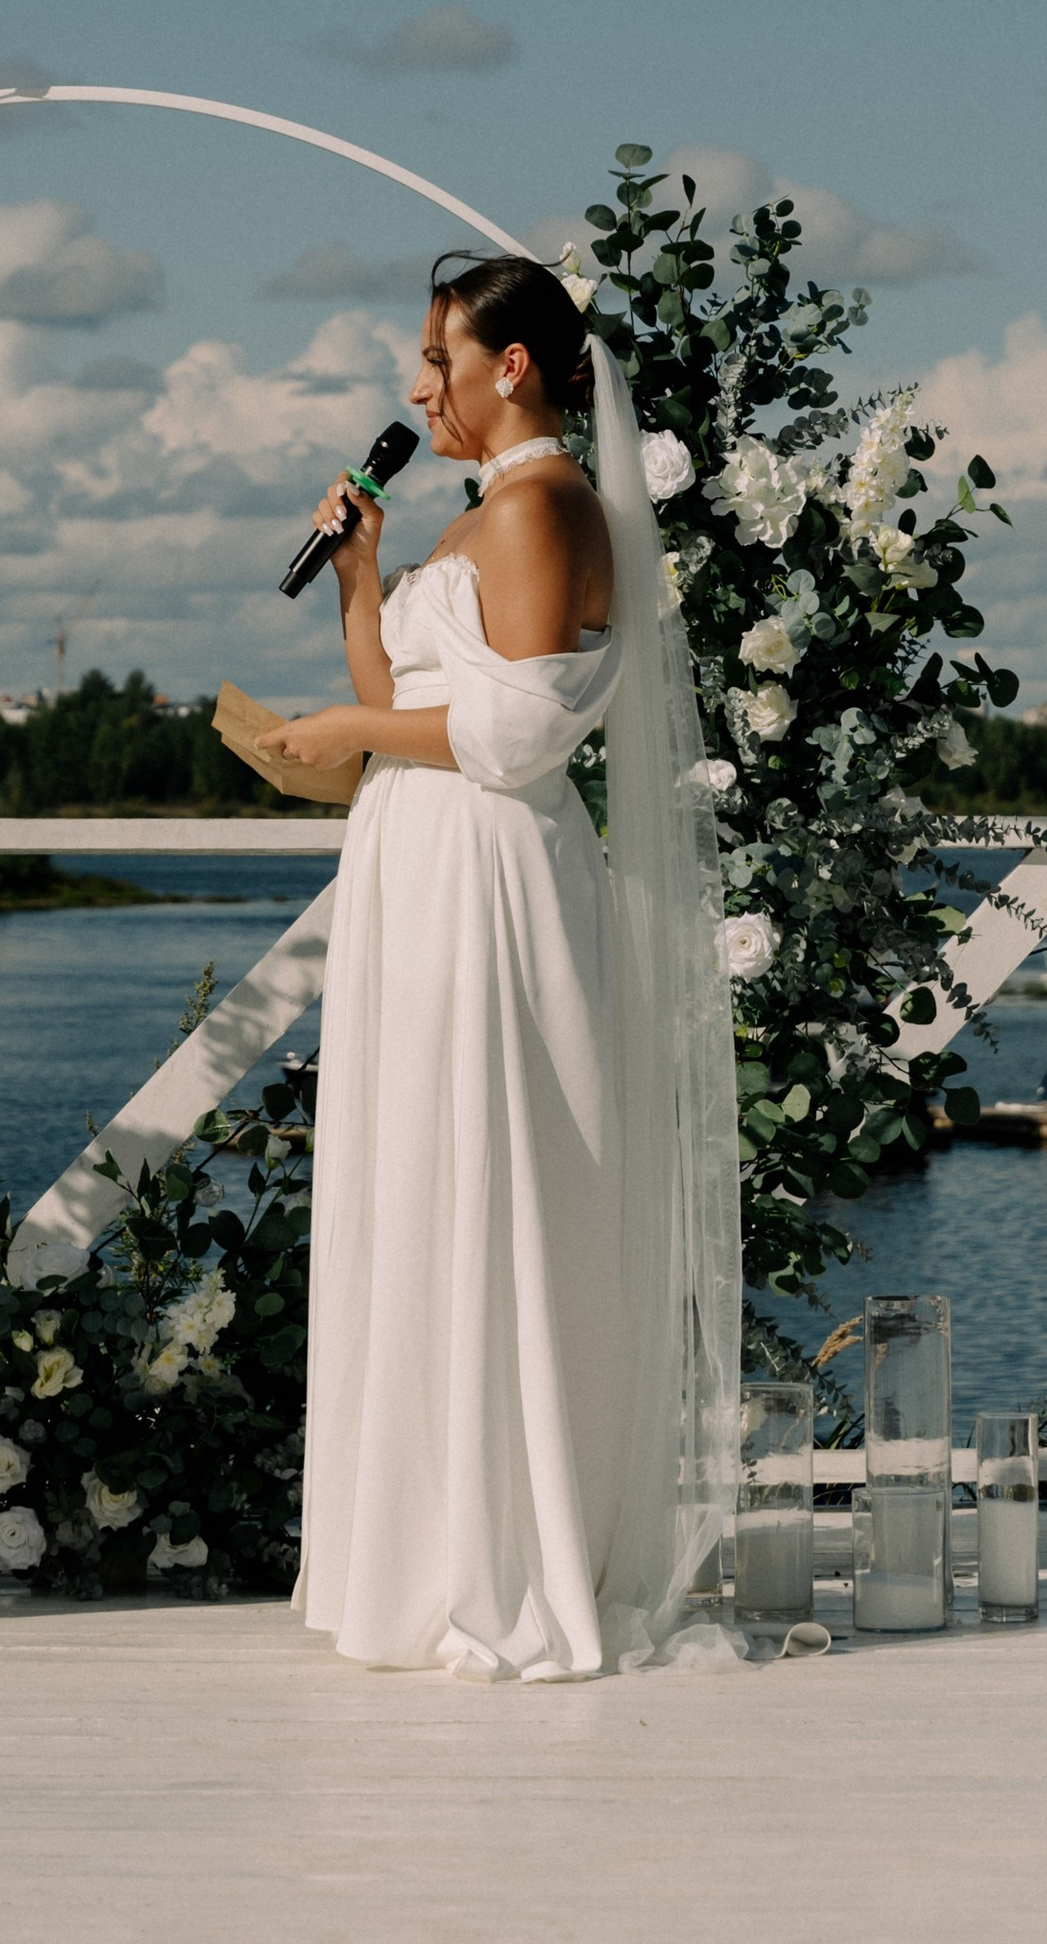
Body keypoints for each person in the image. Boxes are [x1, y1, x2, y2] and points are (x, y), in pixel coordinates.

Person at [261, 252, 741, 1680]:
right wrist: (362, 581)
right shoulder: (481, 519)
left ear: (511, 366)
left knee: (492, 1183)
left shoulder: (547, 510)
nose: (419, 388)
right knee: (415, 1186)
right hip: (422, 876)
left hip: (492, 883)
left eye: (437, 358)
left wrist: (349, 743)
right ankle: (410, 1550)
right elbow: (395, 698)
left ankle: (504, 1556)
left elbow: (521, 733)